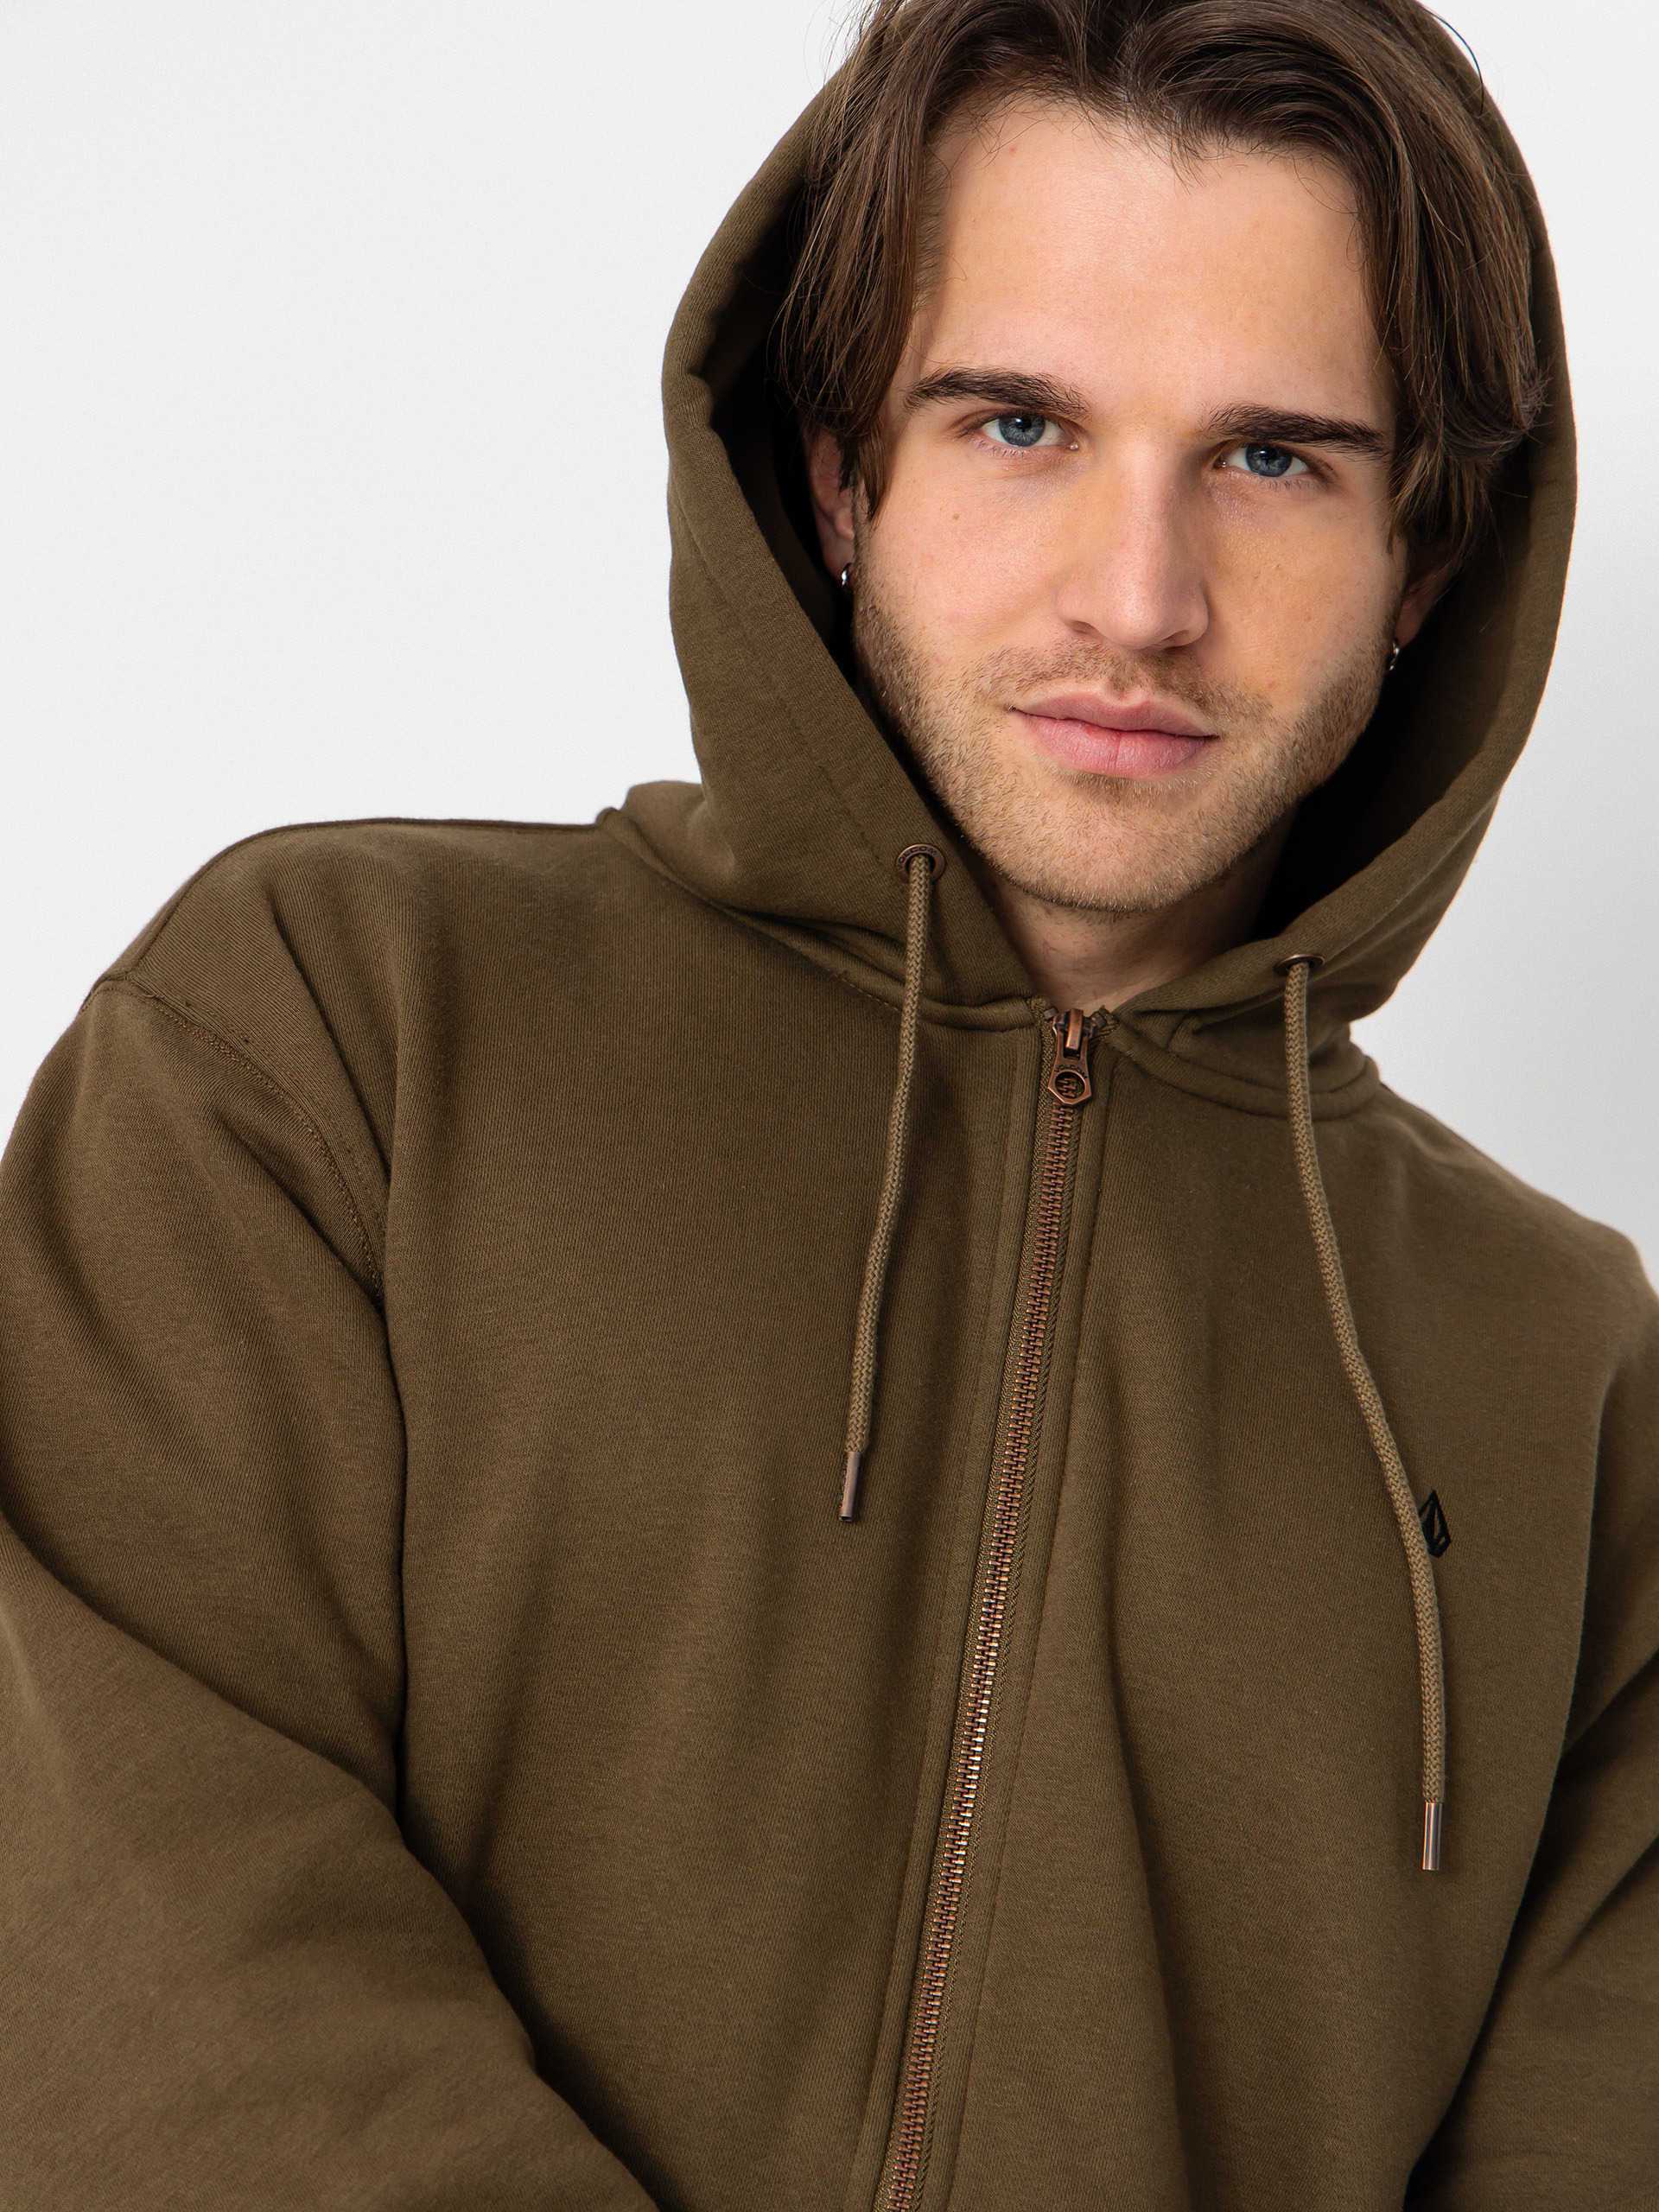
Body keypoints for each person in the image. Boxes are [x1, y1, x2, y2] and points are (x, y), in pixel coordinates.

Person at [3, 0, 1653, 2204]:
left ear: (1422, 558)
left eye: (1273, 459)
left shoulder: (1575, 1385)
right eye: (1018, 423)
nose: (1139, 600)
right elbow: (122, 1916)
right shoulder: (329, 1038)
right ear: (839, 475)